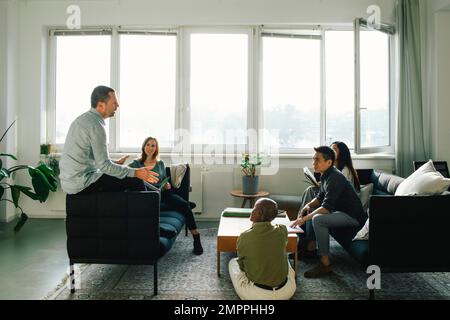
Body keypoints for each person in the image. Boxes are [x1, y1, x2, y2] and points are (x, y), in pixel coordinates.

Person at [59, 85, 159, 195]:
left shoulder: (83, 120)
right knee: (135, 179)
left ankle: (150, 201)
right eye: (114, 103)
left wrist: (116, 164)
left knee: (129, 175)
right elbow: (104, 166)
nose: (118, 105)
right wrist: (136, 172)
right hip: (81, 183)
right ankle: (146, 210)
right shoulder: (96, 126)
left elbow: (86, 159)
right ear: (101, 105)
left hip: (71, 182)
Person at [291, 146, 367, 278]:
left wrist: (304, 218)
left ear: (329, 162)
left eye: (317, 160)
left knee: (317, 219)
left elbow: (326, 207)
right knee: (312, 211)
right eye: (313, 159)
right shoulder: (327, 174)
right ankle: (311, 248)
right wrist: (308, 205)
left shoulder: (335, 177)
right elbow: (320, 197)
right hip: (340, 212)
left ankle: (325, 265)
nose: (313, 163)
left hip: (352, 216)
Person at [129, 137, 203, 255]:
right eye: (148, 145)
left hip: (163, 193)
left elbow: (163, 179)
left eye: (153, 145)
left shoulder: (160, 163)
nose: (150, 148)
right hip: (147, 196)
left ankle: (196, 238)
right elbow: (127, 177)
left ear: (156, 148)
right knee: (155, 205)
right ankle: (161, 227)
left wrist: (167, 184)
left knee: (184, 205)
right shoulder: (135, 164)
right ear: (144, 147)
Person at [229, 198, 296, 300]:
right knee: (285, 258)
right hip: (286, 292)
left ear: (260, 213)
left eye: (254, 208)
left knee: (233, 263)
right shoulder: (282, 230)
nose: (252, 210)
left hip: (257, 295)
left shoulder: (244, 236)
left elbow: (242, 266)